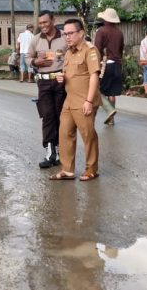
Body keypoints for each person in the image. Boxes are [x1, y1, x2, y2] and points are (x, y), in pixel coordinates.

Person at [48, 19, 101, 181]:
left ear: (81, 33)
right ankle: (67, 170)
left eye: (70, 33)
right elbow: (71, 74)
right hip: (69, 100)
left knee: (88, 135)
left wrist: (89, 101)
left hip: (84, 101)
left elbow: (94, 76)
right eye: (65, 33)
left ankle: (91, 169)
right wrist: (61, 78)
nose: (67, 37)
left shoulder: (90, 51)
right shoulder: (69, 52)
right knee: (65, 134)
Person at [26, 10, 68, 169]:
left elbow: (73, 53)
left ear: (53, 20)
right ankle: (49, 151)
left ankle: (59, 150)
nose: (43, 25)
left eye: (45, 22)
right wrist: (36, 61)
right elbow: (27, 57)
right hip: (43, 83)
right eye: (40, 23)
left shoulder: (64, 37)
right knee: (48, 115)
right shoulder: (36, 40)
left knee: (61, 116)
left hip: (61, 81)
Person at [94, 8, 124, 125]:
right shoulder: (119, 33)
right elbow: (121, 50)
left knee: (96, 89)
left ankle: (109, 110)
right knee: (112, 93)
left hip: (105, 65)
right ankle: (111, 119)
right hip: (117, 65)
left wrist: (96, 64)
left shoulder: (101, 31)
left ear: (105, 19)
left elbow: (97, 50)